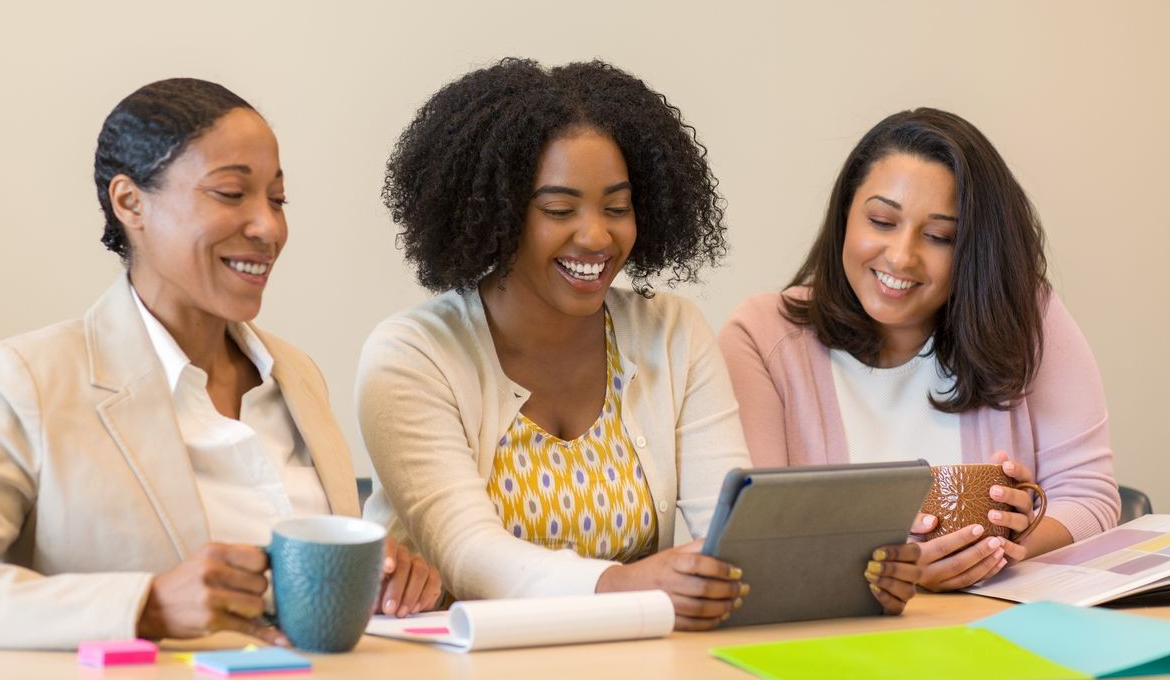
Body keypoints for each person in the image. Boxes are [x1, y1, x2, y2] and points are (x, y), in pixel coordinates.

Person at [358, 58, 921, 629]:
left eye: (617, 207)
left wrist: (855, 575)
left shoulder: (672, 332)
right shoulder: (411, 356)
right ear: (497, 215)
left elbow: (725, 537)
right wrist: (624, 584)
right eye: (559, 209)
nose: (597, 236)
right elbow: (469, 557)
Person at [0, 78, 440, 649]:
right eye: (230, 193)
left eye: (277, 198)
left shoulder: (295, 376)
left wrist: (380, 577)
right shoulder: (31, 378)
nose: (269, 226)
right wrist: (145, 607)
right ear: (130, 202)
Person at [719, 107, 1120, 592]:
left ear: (975, 247)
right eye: (882, 221)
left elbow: (1091, 498)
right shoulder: (762, 337)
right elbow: (755, 540)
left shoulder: (1025, 317)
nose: (901, 256)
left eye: (938, 237)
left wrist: (1012, 543)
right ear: (846, 212)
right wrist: (889, 571)